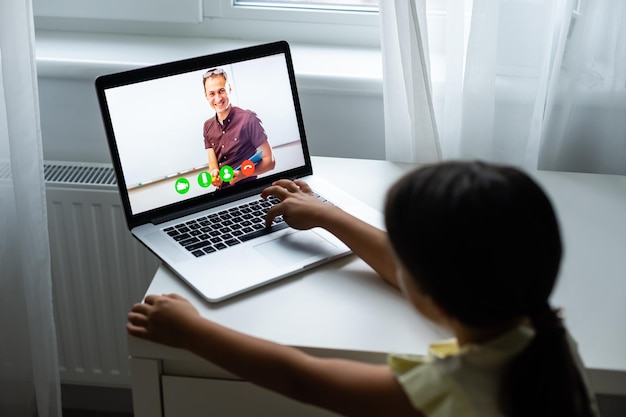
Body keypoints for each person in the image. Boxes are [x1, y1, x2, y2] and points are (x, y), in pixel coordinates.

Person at [127, 161, 599, 417]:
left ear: (431, 294)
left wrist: (191, 331)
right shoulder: (548, 337)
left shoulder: (450, 389)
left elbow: (302, 379)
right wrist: (325, 214)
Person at [202, 67, 276, 189]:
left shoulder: (249, 119)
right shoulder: (207, 126)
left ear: (229, 89)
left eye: (221, 91)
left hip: (248, 190)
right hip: (222, 194)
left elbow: (270, 161)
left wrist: (242, 174)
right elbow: (213, 166)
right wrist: (214, 174)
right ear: (206, 96)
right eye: (212, 94)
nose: (218, 98)